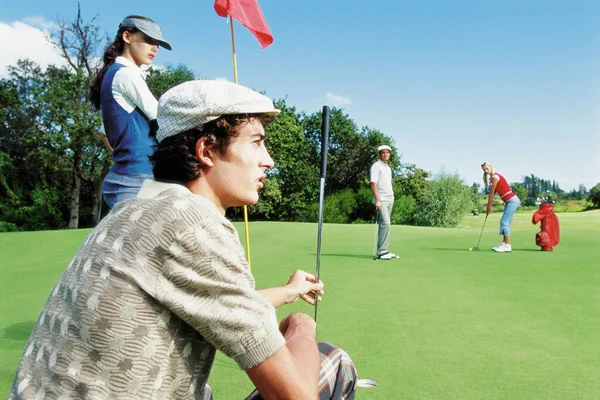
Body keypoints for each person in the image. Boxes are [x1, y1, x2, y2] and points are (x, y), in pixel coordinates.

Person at [10, 80, 357, 400]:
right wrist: (301, 326)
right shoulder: (194, 223)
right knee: (333, 362)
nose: (268, 160)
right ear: (207, 150)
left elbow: (209, 301)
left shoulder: (132, 210)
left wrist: (287, 292)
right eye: (256, 142)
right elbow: (295, 396)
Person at [89, 15, 172, 209]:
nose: (155, 48)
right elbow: (164, 119)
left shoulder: (116, 73)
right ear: (127, 36)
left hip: (131, 177)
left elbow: (103, 132)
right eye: (149, 40)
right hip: (137, 180)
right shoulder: (126, 74)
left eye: (158, 44)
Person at [482, 162, 521, 252]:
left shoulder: (495, 177)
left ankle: (507, 245)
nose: (486, 171)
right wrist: (489, 207)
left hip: (512, 201)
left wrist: (488, 208)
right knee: (506, 222)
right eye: (484, 170)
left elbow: (491, 194)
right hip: (509, 201)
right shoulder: (493, 177)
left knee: (504, 221)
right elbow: (494, 193)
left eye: (487, 169)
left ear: (491, 167)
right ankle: (504, 243)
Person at [370, 144, 397, 260]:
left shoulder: (388, 168)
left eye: (387, 152)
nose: (385, 154)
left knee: (386, 225)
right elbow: (373, 184)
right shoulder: (376, 166)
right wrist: (377, 200)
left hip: (389, 198)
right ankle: (381, 252)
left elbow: (387, 183)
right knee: (386, 223)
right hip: (381, 200)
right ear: (380, 154)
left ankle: (384, 250)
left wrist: (392, 195)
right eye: (383, 153)